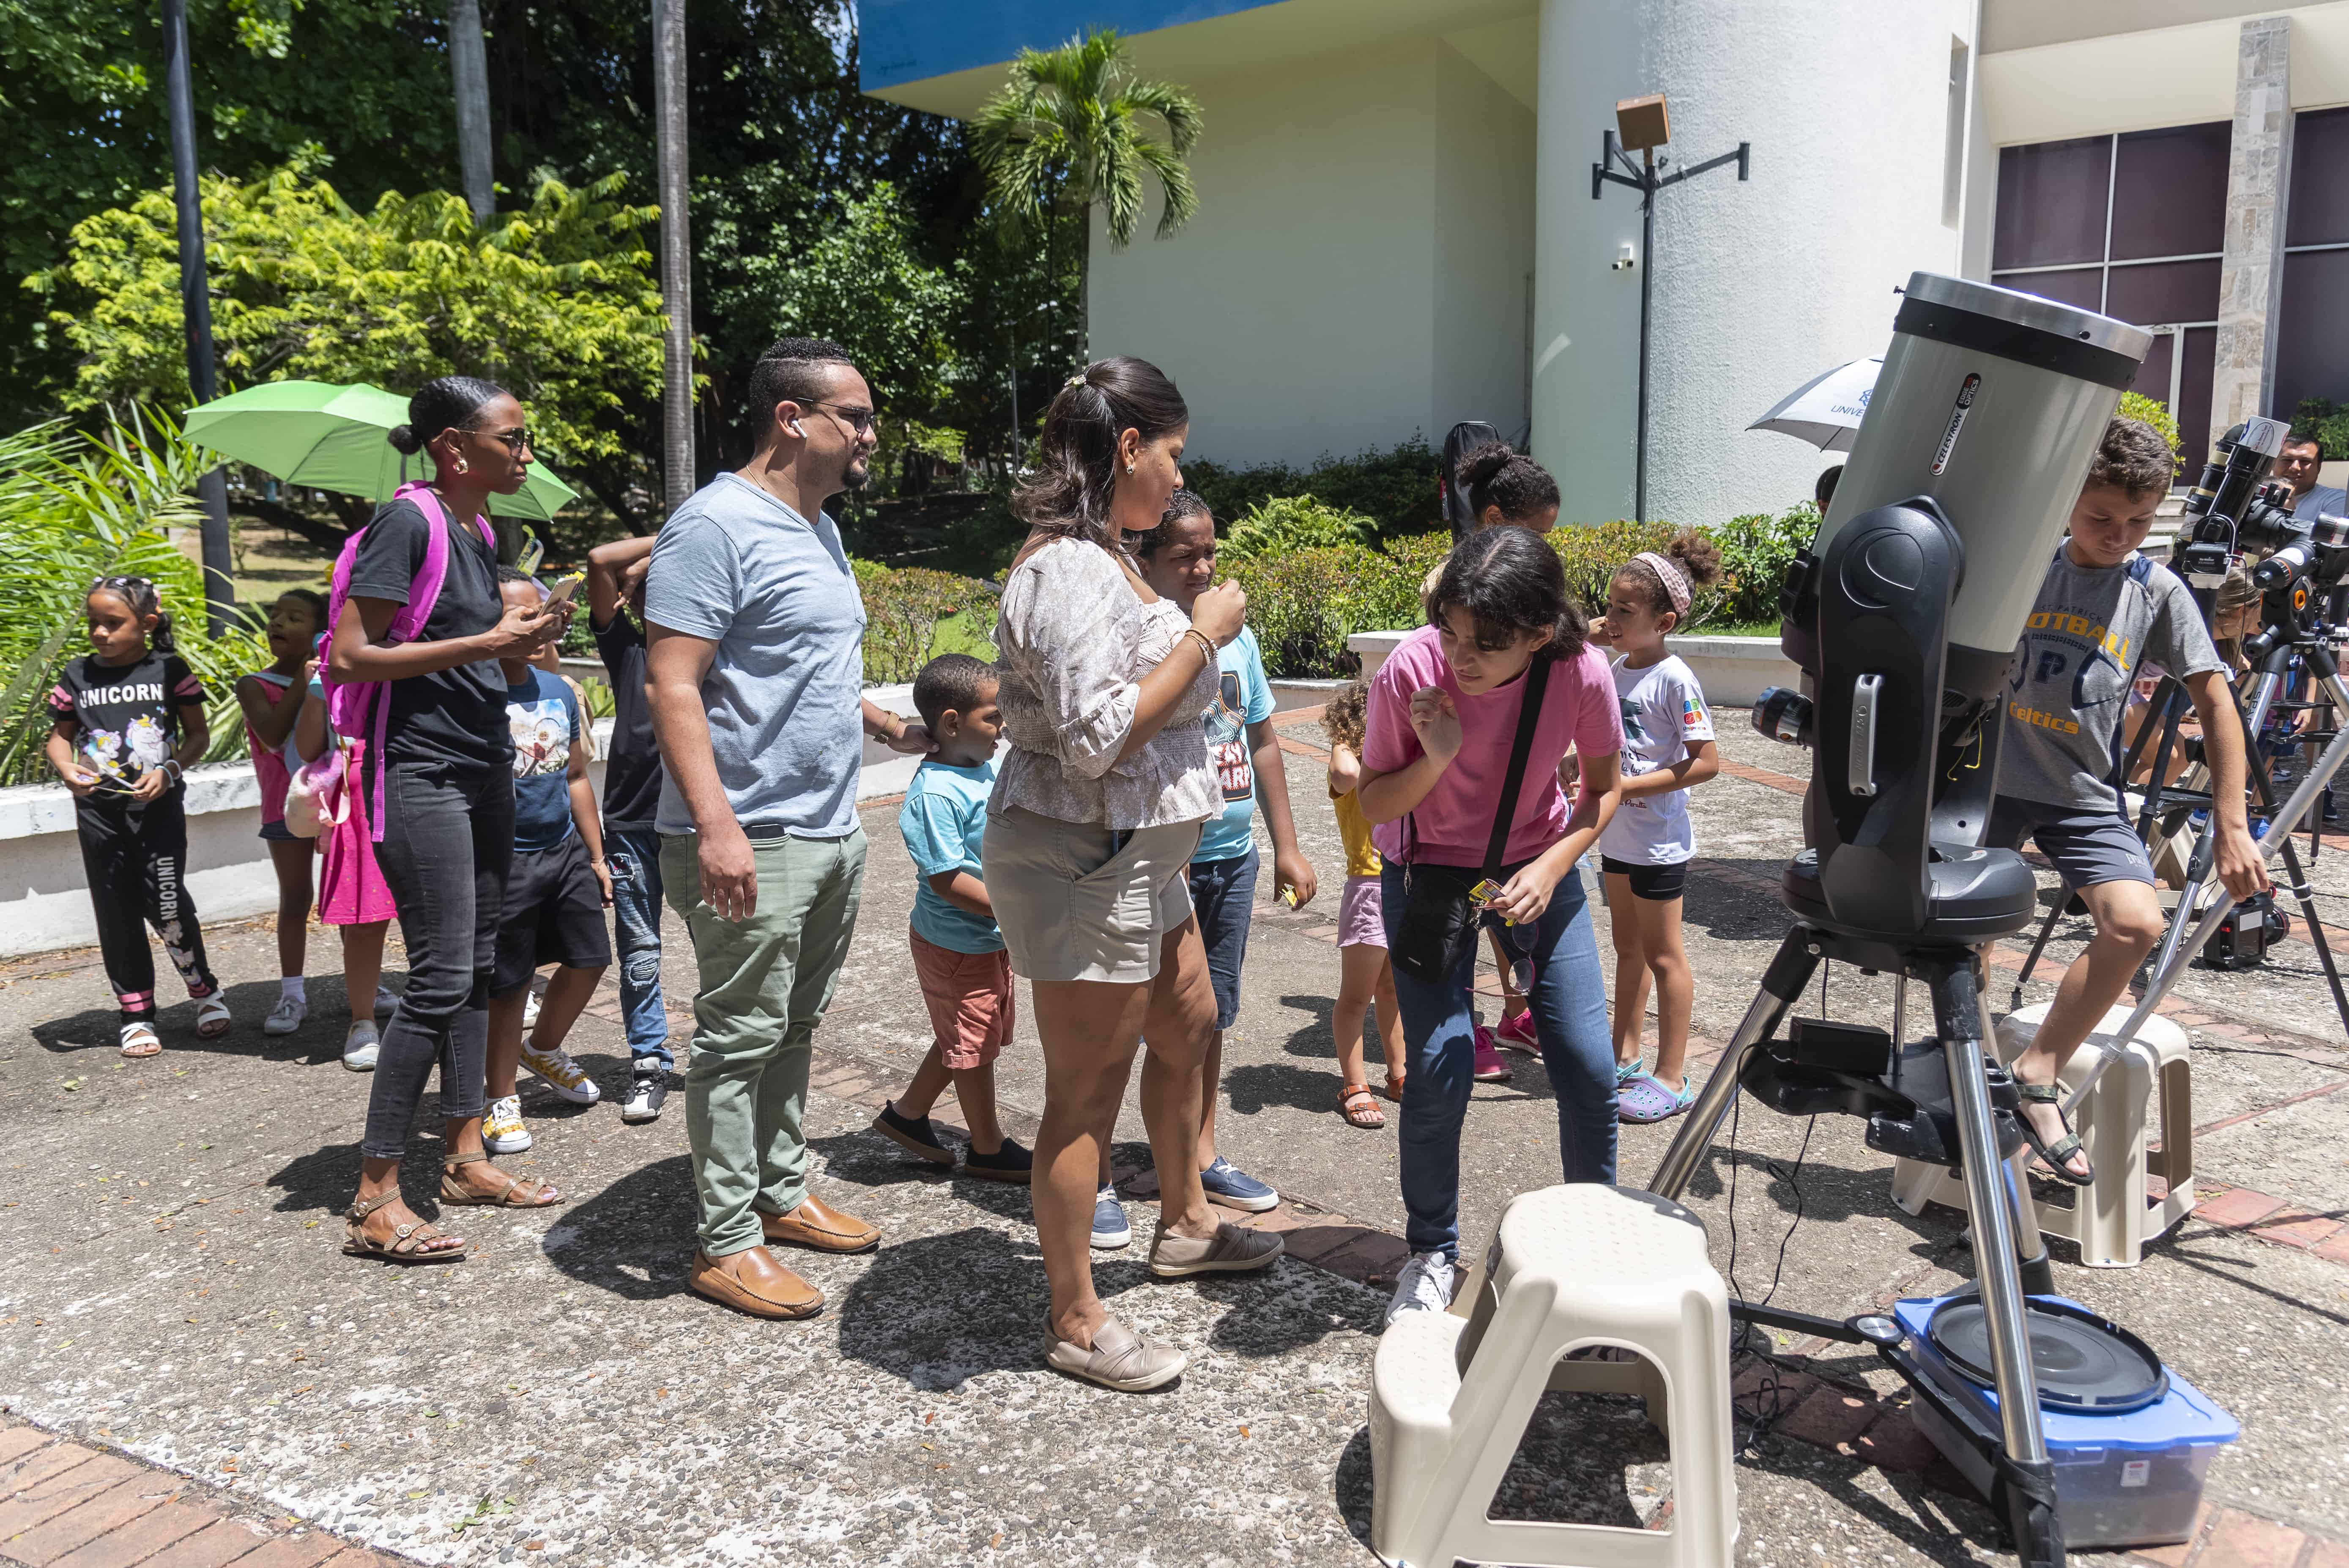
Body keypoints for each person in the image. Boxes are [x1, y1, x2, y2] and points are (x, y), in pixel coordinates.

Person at [987, 357, 1283, 1393]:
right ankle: (1074, 1314)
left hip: (1141, 849)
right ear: (1126, 449)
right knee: (1083, 1092)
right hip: (1085, 850)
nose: (1176, 477)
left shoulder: (1107, 556)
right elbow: (1093, 737)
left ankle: (1186, 1219)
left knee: (1191, 1023)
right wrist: (1203, 639)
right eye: (1172, 454)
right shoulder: (1066, 567)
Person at [646, 337, 922, 1321]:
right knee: (738, 1035)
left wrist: (889, 723)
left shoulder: (819, 528)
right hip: (748, 831)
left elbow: (805, 670)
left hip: (826, 827)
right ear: (792, 418)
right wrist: (715, 823)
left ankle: (778, 1186)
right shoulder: (712, 525)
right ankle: (726, 1239)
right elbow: (672, 679)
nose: (870, 433)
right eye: (855, 414)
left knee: (793, 1027)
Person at [1357, 526, 1625, 1324]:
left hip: (1537, 861)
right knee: (1438, 1064)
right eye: (1451, 630)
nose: (1460, 656)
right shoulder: (1413, 666)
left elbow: (1602, 792)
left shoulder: (1578, 669)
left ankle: (1595, 1234)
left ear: (1540, 634)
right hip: (1428, 870)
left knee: (1585, 1062)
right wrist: (1435, 755)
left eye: (1487, 642)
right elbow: (1372, 803)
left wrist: (1550, 868)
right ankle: (1431, 1250)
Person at [332, 375, 569, 1266]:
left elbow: (476, 660)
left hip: (482, 768)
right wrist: (487, 644)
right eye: (512, 438)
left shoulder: (480, 530)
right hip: (419, 772)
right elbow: (355, 655)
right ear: (453, 447)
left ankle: (465, 1155)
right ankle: (374, 1193)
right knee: (436, 980)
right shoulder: (410, 522)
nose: (526, 453)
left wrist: (527, 639)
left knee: (477, 968)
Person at [1996, 416, 2269, 1185]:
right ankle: (1975, 1069)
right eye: (2101, 518)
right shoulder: (2024, 567)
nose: (2119, 535)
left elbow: (2216, 702)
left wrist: (2232, 821)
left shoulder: (2156, 589)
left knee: (2136, 920)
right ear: (2066, 503)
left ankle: (2036, 1074)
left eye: (2139, 523)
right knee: (1963, 935)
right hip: (1989, 782)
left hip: (2081, 794)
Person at [1128, 489, 1316, 1212]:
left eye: (1211, 551)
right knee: (1140, 1020)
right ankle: (1118, 1170)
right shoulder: (1144, 632)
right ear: (1144, 557)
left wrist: (1287, 846)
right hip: (1160, 858)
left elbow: (1262, 739)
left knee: (1211, 1017)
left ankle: (1202, 1150)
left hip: (1231, 855)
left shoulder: (1237, 634)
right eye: (1184, 554)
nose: (1204, 567)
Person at [1420, 444, 1565, 1081]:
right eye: (1536, 534)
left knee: (1506, 916)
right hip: (1459, 801)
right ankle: (1476, 1023)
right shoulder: (1453, 588)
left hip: (1513, 798)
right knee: (1469, 924)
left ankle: (1512, 1010)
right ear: (1497, 518)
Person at [46, 576, 230, 1057]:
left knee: (165, 902)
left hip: (157, 813)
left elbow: (197, 737)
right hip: (97, 814)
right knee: (116, 911)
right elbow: (59, 737)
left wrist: (169, 770)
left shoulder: (169, 670)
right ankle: (136, 1014)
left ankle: (204, 990)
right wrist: (67, 769)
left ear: (146, 624)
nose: (100, 633)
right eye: (94, 624)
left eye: (113, 623)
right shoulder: (77, 675)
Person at [870, 654, 1032, 1181]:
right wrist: (1020, 907)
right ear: (952, 723)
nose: (1002, 726)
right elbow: (946, 878)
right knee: (975, 1045)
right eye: (993, 716)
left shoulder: (976, 768)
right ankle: (987, 1147)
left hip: (984, 937)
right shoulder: (935, 793)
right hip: (957, 943)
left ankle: (908, 1115)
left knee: (966, 1035)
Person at [1587, 532, 1724, 1124]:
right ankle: (1625, 1052)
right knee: (1627, 948)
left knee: (1666, 956)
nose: (1609, 618)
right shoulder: (1618, 668)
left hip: (1659, 844)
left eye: (1624, 610)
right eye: (1610, 604)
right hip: (1618, 838)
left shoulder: (1676, 678)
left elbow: (1707, 761)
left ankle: (1672, 1076)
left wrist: (1624, 789)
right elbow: (1617, 745)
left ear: (1664, 619)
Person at [482, 569, 613, 1157]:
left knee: (590, 957)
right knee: (507, 985)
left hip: (562, 852)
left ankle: (544, 1046)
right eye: (523, 614)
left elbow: (576, 775)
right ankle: (499, 1097)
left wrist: (597, 854)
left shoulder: (558, 690)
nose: (540, 624)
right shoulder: (472, 693)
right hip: (502, 863)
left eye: (544, 611)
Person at [585, 534, 673, 1123]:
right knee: (639, 948)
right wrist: (682, 526)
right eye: (645, 594)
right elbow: (600, 560)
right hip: (630, 824)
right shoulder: (626, 648)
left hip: (695, 824)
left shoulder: (713, 652)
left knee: (719, 945)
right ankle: (649, 1061)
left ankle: (727, 1057)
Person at [293, 630, 400, 1070]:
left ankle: (444, 1013)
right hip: (360, 799)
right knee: (366, 921)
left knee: (434, 916)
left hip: (420, 780)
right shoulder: (332, 647)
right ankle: (363, 1021)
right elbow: (306, 747)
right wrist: (317, 691)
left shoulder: (420, 635)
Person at [236, 588, 328, 1037]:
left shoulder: (337, 677)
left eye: (294, 618)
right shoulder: (254, 684)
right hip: (284, 807)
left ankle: (363, 985)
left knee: (345, 899)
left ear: (319, 632)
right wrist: (306, 682)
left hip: (336, 805)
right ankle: (292, 994)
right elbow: (273, 735)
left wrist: (324, 677)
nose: (278, 623)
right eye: (275, 616)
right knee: (296, 899)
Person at [1322, 677, 1403, 1125]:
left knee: (1393, 990)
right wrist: (1342, 737)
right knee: (1356, 997)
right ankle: (1355, 1083)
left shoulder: (1396, 767)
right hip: (1369, 888)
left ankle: (1399, 1072)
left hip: (1401, 885)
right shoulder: (1350, 767)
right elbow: (1347, 773)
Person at [2279, 428, 2345, 520]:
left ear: (2319, 467)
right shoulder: (2254, 493)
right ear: (2273, 464)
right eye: (2287, 460)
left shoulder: (2336, 500)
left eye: (2305, 462)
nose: (2295, 467)